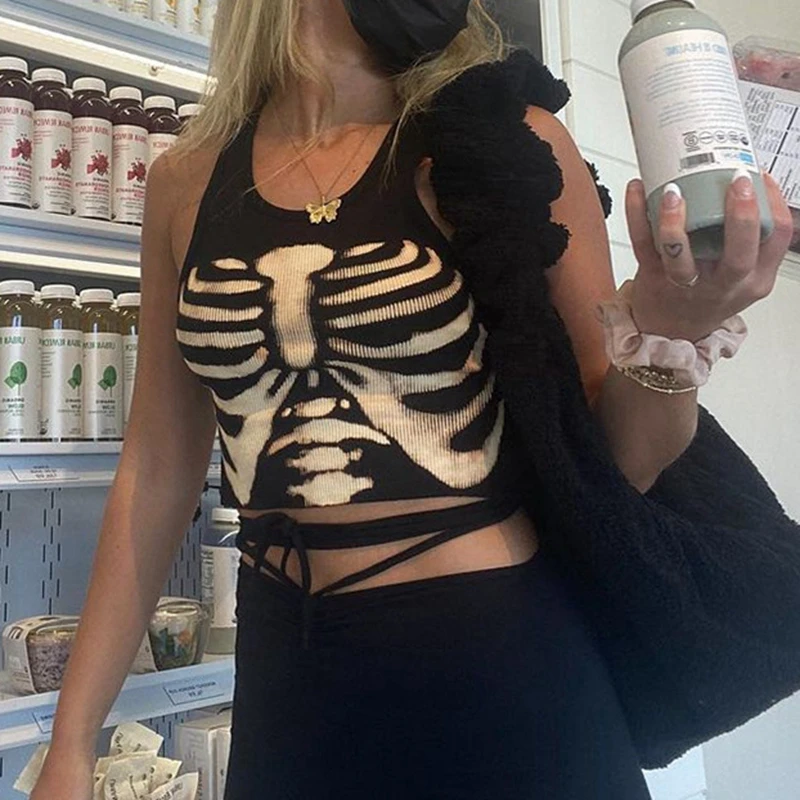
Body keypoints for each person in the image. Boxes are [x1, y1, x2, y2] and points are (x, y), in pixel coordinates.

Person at [32, 1, 793, 798]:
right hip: (288, 677)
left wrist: (672, 334)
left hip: (499, 670)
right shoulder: (186, 180)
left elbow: (617, 466)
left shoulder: (504, 144)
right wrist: (73, 741)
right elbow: (156, 466)